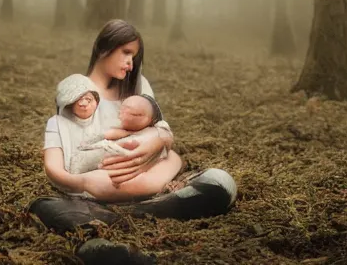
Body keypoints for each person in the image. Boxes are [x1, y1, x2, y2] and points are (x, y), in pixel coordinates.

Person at [29, 19, 237, 242]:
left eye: (134, 57)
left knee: (220, 181)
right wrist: (83, 182)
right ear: (103, 47)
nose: (130, 64)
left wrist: (158, 139)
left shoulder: (137, 86)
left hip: (148, 172)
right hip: (102, 182)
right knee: (52, 209)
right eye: (126, 53)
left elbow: (161, 130)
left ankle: (141, 209)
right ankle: (131, 212)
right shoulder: (77, 94)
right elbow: (66, 155)